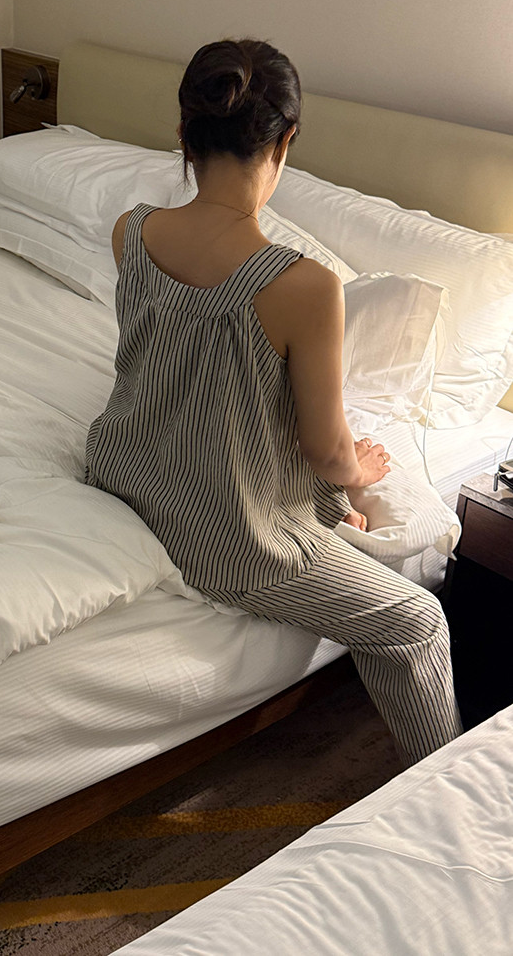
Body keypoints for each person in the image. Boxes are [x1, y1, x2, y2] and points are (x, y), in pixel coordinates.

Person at [84, 38, 462, 767]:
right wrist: (356, 471)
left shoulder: (131, 229)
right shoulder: (304, 286)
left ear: (184, 134)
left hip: (122, 469)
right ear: (286, 141)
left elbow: (194, 368)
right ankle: (437, 797)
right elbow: (325, 449)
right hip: (225, 530)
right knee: (417, 623)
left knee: (331, 516)